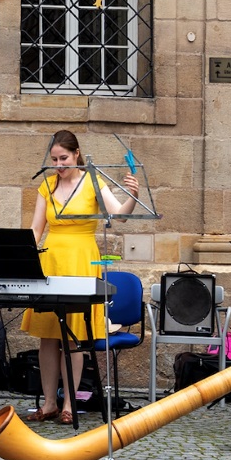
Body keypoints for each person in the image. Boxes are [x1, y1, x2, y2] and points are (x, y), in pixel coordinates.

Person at [22, 130, 138, 424]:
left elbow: (120, 216)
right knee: (48, 336)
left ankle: (70, 405)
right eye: (54, 160)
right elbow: (36, 230)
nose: (59, 165)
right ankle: (49, 403)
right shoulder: (47, 186)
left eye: (64, 158)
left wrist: (133, 196)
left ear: (76, 154)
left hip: (80, 260)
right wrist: (23, 260)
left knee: (73, 336)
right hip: (51, 260)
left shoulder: (93, 181)